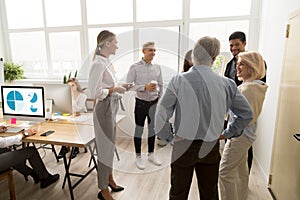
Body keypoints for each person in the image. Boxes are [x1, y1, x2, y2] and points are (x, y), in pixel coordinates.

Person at [154, 36, 253, 200]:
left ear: (194, 55)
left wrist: (168, 136)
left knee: (178, 193)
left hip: (182, 145)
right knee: (209, 193)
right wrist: (229, 132)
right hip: (210, 145)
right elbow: (246, 114)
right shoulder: (227, 84)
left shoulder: (178, 80)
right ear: (214, 58)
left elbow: (161, 113)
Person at [219, 51, 268, 200]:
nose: (237, 67)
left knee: (225, 173)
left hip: (239, 136)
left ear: (252, 67)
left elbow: (244, 118)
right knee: (241, 172)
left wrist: (226, 133)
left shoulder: (248, 89)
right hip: (247, 136)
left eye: (242, 64)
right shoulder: (255, 86)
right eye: (238, 63)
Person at [88, 30, 126, 200]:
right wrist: (114, 89)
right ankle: (103, 189)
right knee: (104, 149)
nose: (117, 45)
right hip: (104, 109)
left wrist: (120, 86)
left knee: (110, 148)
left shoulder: (107, 62)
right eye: (115, 42)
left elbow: (108, 86)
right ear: (108, 43)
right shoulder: (97, 64)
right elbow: (95, 92)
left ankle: (109, 179)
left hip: (112, 107)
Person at [224, 31, 267, 172]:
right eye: (231, 45)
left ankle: (244, 179)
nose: (233, 48)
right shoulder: (230, 64)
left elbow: (257, 91)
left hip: (243, 117)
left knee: (230, 167)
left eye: (236, 44)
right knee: (231, 153)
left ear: (244, 43)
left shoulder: (256, 65)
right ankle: (240, 182)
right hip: (232, 114)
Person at [126, 41, 163, 170]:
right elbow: (128, 86)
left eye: (154, 50)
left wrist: (159, 99)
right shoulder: (134, 67)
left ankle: (151, 154)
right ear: (143, 51)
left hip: (154, 103)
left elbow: (161, 85)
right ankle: (138, 156)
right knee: (139, 130)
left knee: (152, 129)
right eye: (150, 50)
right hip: (141, 104)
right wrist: (144, 87)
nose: (153, 53)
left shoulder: (157, 67)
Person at [57, 78, 87, 159]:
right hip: (71, 116)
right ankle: (64, 147)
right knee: (63, 125)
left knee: (73, 126)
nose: (71, 88)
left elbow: (78, 109)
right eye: (69, 86)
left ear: (77, 86)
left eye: (73, 85)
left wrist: (72, 98)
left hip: (81, 118)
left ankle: (75, 148)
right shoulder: (65, 96)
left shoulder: (82, 96)